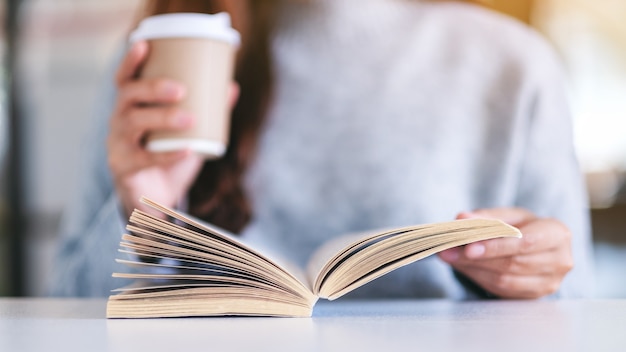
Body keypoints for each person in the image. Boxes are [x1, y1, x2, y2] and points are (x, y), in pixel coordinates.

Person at [50, 0, 593, 299]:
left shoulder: (513, 66)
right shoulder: (167, 52)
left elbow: (576, 311)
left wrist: (528, 274)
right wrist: (140, 217)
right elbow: (67, 307)